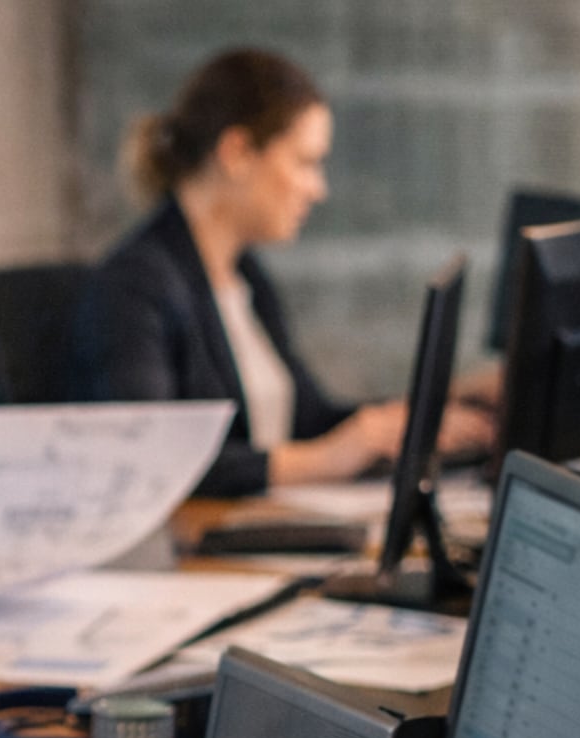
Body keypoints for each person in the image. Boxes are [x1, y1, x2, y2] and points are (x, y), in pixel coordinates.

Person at [65, 48, 494, 497]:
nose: (318, 188)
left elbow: (307, 420)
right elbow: (151, 461)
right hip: (194, 551)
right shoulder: (135, 286)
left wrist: (447, 399)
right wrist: (328, 459)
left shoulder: (244, 273)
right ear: (237, 153)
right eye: (305, 162)